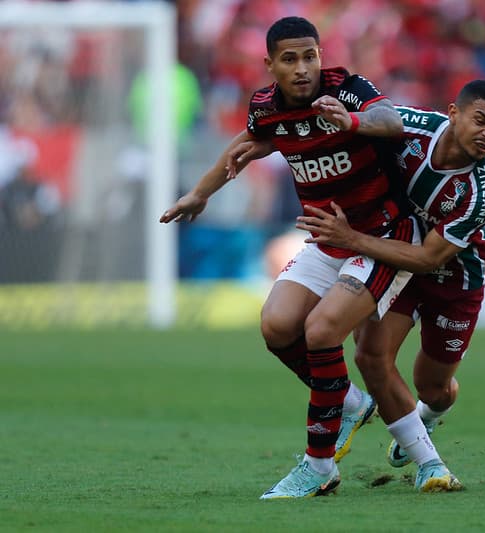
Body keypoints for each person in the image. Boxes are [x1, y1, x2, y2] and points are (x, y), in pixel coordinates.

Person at [160, 16, 417, 499]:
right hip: (326, 241)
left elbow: (392, 121)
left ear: (322, 56)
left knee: (321, 332)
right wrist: (200, 194)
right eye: (290, 59)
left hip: (379, 234)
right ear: (270, 65)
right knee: (276, 327)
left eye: (310, 56)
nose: (303, 69)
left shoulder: (348, 88)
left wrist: (352, 120)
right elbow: (249, 145)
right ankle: (350, 403)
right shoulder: (265, 107)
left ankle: (318, 466)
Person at [296, 80, 485, 491]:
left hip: (454, 277)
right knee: (370, 355)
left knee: (433, 386)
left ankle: (426, 416)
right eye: (480, 121)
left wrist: (351, 239)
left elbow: (431, 258)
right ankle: (428, 462)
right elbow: (369, 119)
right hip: (396, 257)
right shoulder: (412, 127)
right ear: (454, 112)